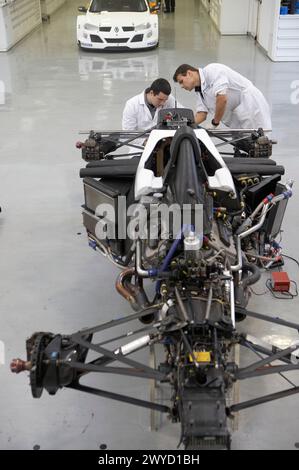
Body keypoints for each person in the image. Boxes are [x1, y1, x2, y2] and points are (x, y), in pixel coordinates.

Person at [173, 63, 272, 130]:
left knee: (261, 143)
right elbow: (201, 114)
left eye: (181, 81)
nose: (182, 86)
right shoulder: (199, 91)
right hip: (237, 116)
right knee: (246, 146)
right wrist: (184, 127)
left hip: (250, 105)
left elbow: (222, 98)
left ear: (189, 73)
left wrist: (215, 122)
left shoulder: (212, 70)